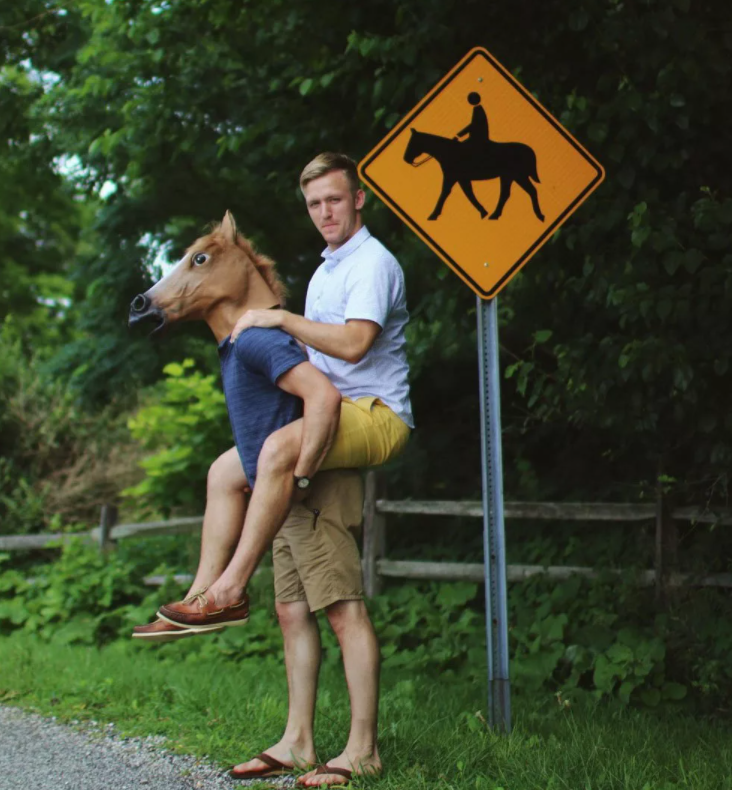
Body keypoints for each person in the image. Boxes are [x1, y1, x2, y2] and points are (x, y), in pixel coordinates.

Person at [145, 153, 413, 785]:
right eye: (314, 203)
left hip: (372, 414)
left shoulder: (372, 264)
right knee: (291, 607)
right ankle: (296, 741)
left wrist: (277, 318)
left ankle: (362, 749)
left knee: (341, 605)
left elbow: (354, 346)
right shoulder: (328, 270)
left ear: (359, 199)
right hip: (322, 423)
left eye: (335, 199)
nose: (324, 212)